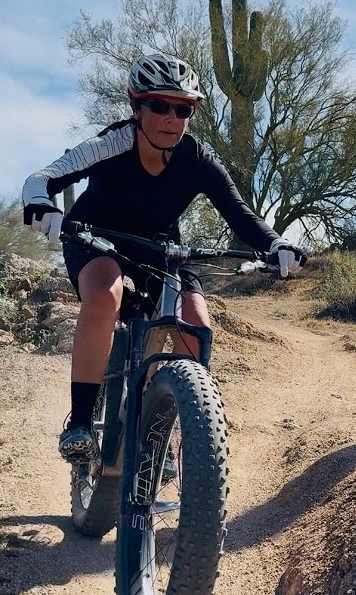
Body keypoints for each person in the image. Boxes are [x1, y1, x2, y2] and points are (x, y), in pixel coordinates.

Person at [22, 52, 305, 462]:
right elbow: (43, 177)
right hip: (96, 235)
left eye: (183, 109)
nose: (171, 118)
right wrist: (40, 204)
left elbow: (239, 213)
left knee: (196, 325)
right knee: (105, 295)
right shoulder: (111, 143)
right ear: (137, 106)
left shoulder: (198, 159)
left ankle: (167, 428)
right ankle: (80, 422)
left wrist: (277, 245)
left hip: (159, 244)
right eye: (158, 105)